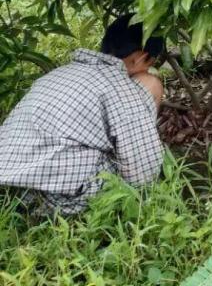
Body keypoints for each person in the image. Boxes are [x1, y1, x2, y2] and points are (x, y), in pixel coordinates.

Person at [0, 15, 165, 215]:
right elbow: (143, 172)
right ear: (141, 58)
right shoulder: (121, 88)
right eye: (150, 64)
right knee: (150, 84)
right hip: (60, 198)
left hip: (11, 188)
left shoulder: (58, 74)